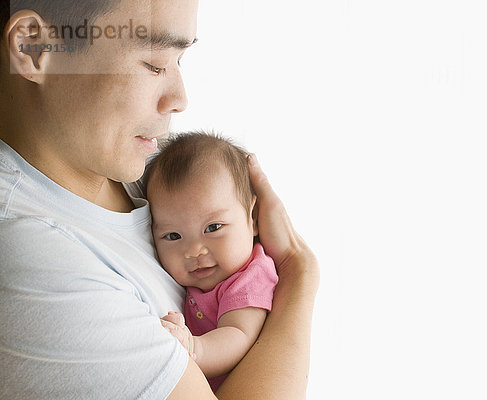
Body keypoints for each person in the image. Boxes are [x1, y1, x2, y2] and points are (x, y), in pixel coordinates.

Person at [0, 1, 319, 399]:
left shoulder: (144, 170)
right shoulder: (35, 261)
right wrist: (298, 270)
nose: (180, 98)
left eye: (180, 61)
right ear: (34, 48)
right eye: (154, 64)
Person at [144, 132, 279, 392]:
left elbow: (238, 335)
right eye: (173, 236)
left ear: (253, 217)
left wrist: (193, 348)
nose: (193, 250)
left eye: (213, 227)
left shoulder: (251, 275)